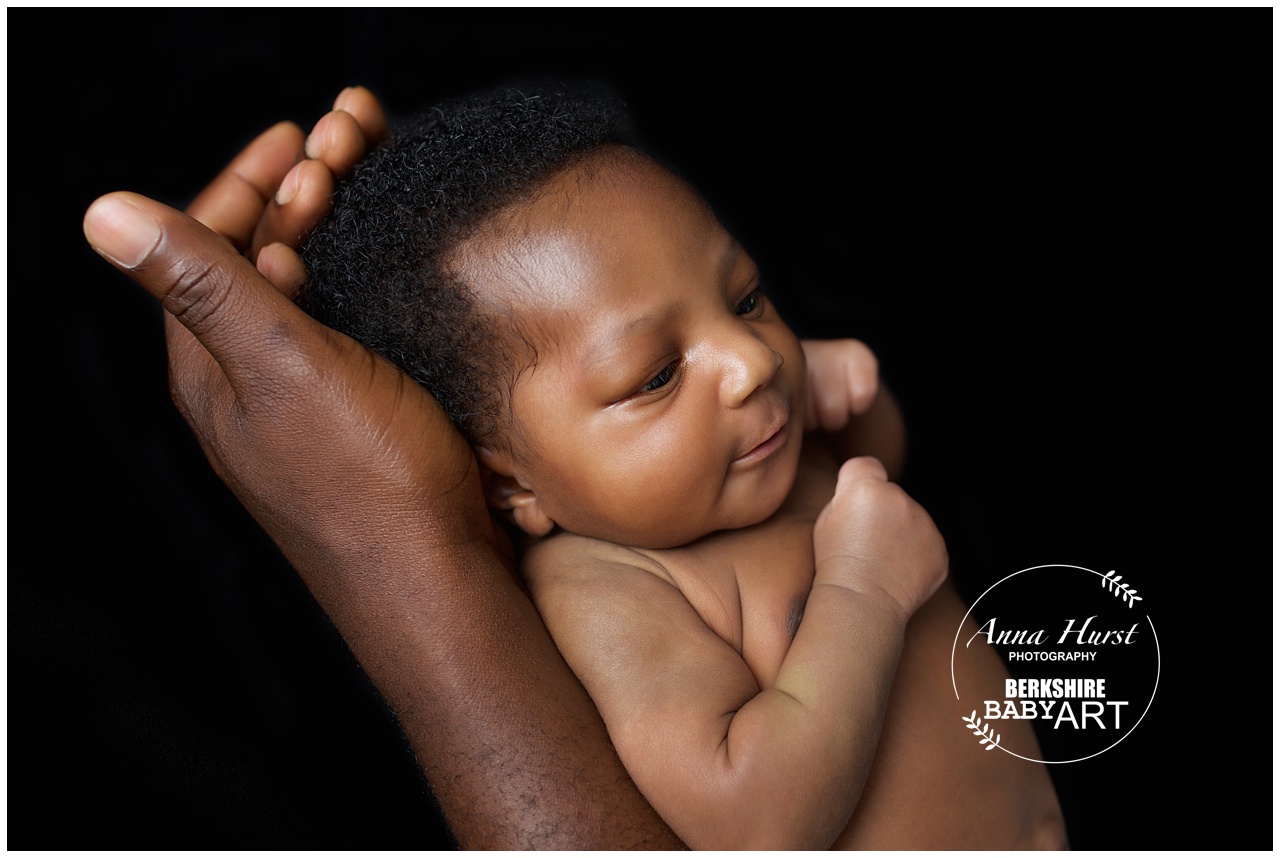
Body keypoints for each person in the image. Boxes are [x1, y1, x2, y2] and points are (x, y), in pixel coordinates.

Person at [82, 83, 1066, 849]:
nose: (751, 361)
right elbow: (756, 822)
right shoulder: (617, 594)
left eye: (747, 298)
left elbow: (876, 471)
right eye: (654, 374)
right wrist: (861, 591)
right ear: (513, 484)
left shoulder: (749, 448)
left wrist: (837, 392)